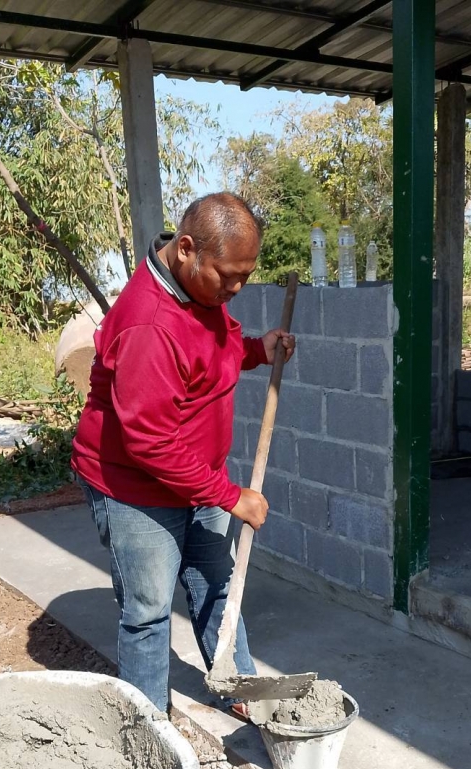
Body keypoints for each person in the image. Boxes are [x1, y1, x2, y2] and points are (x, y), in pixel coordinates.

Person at [71, 192, 296, 715]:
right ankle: (152, 727)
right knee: (148, 613)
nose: (236, 289)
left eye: (246, 276)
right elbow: (150, 442)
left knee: (217, 584)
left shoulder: (201, 293)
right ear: (188, 248)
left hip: (195, 477)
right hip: (134, 488)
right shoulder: (150, 323)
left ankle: (239, 689)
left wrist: (256, 350)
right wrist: (229, 496)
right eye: (229, 277)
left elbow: (207, 353)